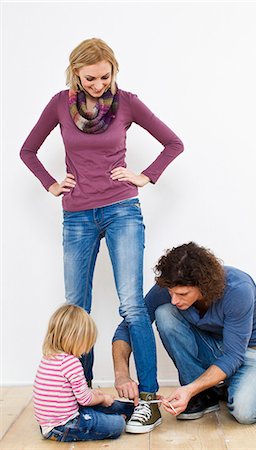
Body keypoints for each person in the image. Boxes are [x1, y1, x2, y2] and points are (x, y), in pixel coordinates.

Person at [20, 38, 183, 433]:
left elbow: (173, 143)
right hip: (76, 215)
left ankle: (147, 400)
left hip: (122, 209)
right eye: (90, 77)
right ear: (75, 72)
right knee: (77, 306)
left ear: (114, 70)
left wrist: (145, 176)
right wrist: (51, 184)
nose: (98, 84)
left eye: (105, 76)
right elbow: (28, 150)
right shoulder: (60, 104)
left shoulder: (127, 102)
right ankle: (81, 393)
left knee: (132, 304)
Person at [112, 242, 256, 425]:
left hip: (250, 353)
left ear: (203, 285)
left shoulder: (238, 289)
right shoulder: (172, 287)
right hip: (213, 349)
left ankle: (231, 386)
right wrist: (121, 374)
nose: (174, 300)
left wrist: (189, 390)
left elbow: (233, 355)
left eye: (182, 294)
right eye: (171, 293)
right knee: (165, 313)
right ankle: (205, 395)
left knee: (246, 413)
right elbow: (127, 327)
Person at [33, 304, 135, 442]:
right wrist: (103, 398)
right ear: (75, 339)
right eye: (87, 342)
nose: (87, 349)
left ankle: (129, 410)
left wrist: (95, 394)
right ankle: (124, 415)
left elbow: (73, 393)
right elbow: (85, 400)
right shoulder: (71, 362)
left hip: (48, 425)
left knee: (101, 404)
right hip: (64, 426)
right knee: (118, 425)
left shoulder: (48, 358)